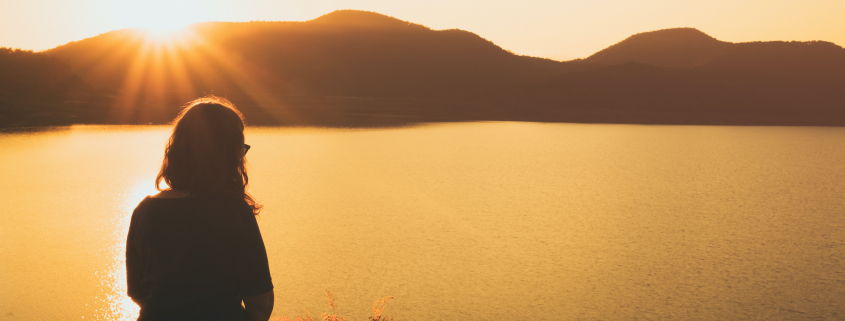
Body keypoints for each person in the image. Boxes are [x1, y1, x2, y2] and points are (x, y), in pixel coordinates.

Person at [126, 96, 274, 321]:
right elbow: (260, 302)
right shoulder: (233, 212)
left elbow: (137, 291)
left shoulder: (145, 210)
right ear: (227, 156)